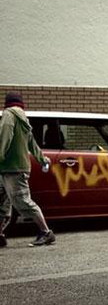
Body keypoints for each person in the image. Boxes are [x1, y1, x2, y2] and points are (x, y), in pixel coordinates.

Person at [0, 92, 55, 247]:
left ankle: (46, 232)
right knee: (2, 202)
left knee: (23, 201)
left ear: (7, 103)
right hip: (11, 168)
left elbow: (4, 137)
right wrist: (42, 159)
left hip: (12, 168)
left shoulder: (8, 116)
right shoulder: (23, 119)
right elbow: (32, 143)